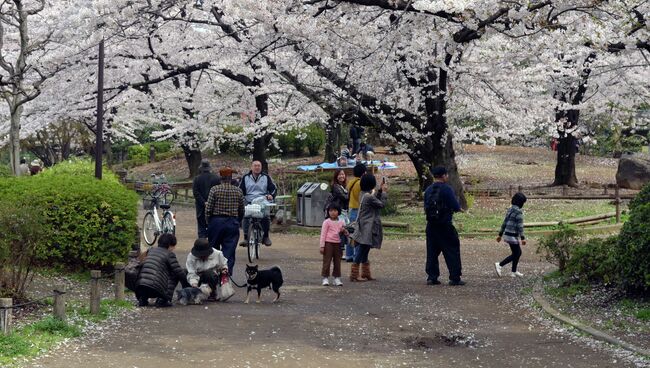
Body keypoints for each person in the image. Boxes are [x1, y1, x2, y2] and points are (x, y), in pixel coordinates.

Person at [424, 166, 465, 286]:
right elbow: (455, 206)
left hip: (431, 225)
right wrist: (458, 208)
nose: (448, 176)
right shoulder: (447, 189)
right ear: (443, 176)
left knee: (432, 252)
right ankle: (455, 277)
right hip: (445, 225)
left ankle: (432, 277)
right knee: (452, 250)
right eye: (446, 175)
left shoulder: (428, 190)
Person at [205, 167, 245, 276]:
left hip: (216, 222)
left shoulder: (214, 190)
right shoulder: (238, 191)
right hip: (232, 222)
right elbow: (242, 209)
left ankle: (213, 274)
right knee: (229, 251)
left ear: (220, 178)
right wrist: (238, 221)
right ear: (231, 178)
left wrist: (209, 222)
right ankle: (225, 275)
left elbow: (208, 209)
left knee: (213, 250)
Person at [349, 174, 387, 282]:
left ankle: (365, 273)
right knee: (362, 249)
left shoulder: (364, 194)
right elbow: (381, 205)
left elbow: (375, 199)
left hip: (365, 225)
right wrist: (384, 192)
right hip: (367, 226)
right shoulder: (368, 197)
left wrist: (379, 190)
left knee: (365, 249)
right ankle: (354, 274)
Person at [135, 234, 190, 307]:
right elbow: (179, 272)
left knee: (147, 272)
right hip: (156, 289)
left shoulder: (150, 251)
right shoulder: (169, 254)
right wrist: (186, 286)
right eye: (173, 246)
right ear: (170, 245)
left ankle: (143, 299)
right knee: (175, 274)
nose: (174, 248)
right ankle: (162, 300)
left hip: (141, 287)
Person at [239, 160, 277, 247]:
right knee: (245, 216)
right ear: (251, 167)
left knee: (266, 216)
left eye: (258, 166)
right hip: (249, 200)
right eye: (255, 166)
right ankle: (245, 237)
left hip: (262, 200)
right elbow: (240, 190)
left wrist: (271, 195)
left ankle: (266, 236)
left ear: (261, 167)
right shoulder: (245, 177)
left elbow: (273, 188)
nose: (257, 167)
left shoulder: (266, 177)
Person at [495, 193, 527, 278]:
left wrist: (500, 234)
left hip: (507, 234)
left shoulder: (510, 209)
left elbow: (504, 222)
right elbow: (520, 226)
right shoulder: (519, 211)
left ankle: (513, 272)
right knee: (517, 253)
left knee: (516, 252)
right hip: (512, 235)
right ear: (521, 203)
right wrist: (523, 238)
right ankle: (500, 264)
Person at [320, 204, 349, 286]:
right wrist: (322, 246)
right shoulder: (326, 222)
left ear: (338, 212)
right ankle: (325, 278)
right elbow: (323, 234)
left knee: (337, 261)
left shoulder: (341, 222)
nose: (333, 213)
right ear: (328, 212)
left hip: (338, 244)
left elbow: (345, 233)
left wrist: (345, 231)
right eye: (331, 211)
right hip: (328, 243)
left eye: (335, 211)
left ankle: (337, 278)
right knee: (327, 261)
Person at [192, 159, 220, 238]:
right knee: (213, 224)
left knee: (201, 226)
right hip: (214, 206)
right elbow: (218, 192)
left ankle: (202, 243)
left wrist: (204, 202)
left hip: (200, 206)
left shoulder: (197, 179)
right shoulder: (216, 178)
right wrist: (211, 202)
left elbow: (196, 192)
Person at [345, 163, 366, 262]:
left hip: (351, 208)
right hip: (358, 209)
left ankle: (349, 255)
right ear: (363, 173)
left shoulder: (351, 182)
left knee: (350, 232)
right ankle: (357, 255)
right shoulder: (360, 183)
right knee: (358, 233)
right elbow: (363, 196)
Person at [326, 169, 349, 259]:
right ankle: (338, 252)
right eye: (339, 175)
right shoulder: (336, 187)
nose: (341, 176)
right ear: (336, 176)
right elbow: (344, 197)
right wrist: (350, 193)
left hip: (343, 211)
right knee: (339, 231)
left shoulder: (343, 186)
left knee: (343, 231)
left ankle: (339, 251)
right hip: (338, 212)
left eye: (343, 174)